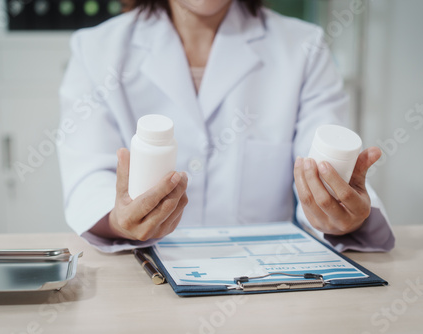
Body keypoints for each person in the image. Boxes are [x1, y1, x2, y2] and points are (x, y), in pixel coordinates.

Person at [58, 0, 395, 253]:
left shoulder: (303, 47)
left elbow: (324, 168)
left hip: (266, 281)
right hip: (146, 274)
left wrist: (338, 212)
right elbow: (89, 176)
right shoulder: (95, 49)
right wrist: (119, 219)